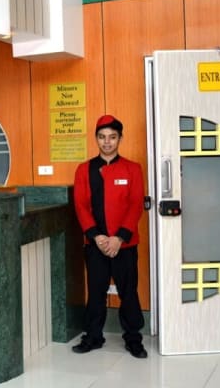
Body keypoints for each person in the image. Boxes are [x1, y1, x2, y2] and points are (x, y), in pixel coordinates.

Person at [72, 115, 147, 358]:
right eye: (102, 137)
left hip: (124, 244)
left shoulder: (133, 169)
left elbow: (136, 205)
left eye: (112, 137)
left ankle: (134, 339)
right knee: (96, 292)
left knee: (129, 292)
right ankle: (93, 337)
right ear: (96, 139)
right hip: (96, 244)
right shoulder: (84, 170)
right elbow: (81, 206)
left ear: (120, 139)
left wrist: (119, 238)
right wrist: (97, 236)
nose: (107, 142)